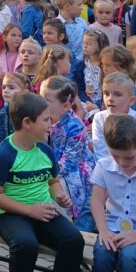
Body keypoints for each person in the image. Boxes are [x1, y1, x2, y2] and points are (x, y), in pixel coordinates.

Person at [0, 92, 87, 272]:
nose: (51, 124)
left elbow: (52, 180)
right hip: (11, 213)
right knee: (25, 244)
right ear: (27, 123)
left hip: (42, 210)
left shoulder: (45, 150)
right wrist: (29, 210)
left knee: (73, 240)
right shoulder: (4, 154)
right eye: (46, 120)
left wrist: (59, 194)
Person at [90, 114, 136, 272]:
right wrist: (103, 230)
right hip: (112, 227)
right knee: (102, 253)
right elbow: (97, 201)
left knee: (130, 259)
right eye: (116, 155)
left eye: (129, 157)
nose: (122, 162)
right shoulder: (104, 165)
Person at [39, 76, 95, 231]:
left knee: (60, 189)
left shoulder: (75, 126)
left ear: (66, 106)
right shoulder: (41, 119)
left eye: (46, 100)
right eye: (40, 98)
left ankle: (65, 226)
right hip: (49, 168)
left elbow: (69, 162)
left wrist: (44, 174)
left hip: (72, 171)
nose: (40, 103)